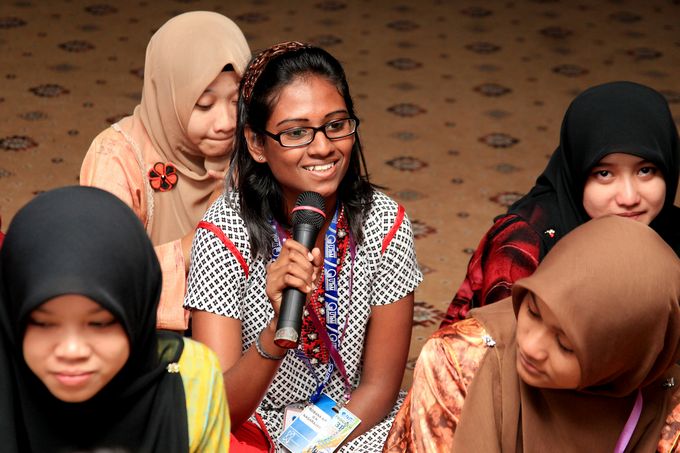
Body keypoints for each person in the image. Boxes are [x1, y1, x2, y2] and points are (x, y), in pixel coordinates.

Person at [184, 42, 423, 451]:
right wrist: (276, 332)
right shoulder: (224, 232)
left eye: (336, 125)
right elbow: (219, 410)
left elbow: (380, 387)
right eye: (296, 132)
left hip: (353, 421)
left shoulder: (384, 222)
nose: (323, 147)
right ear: (256, 143)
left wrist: (316, 448)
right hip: (254, 425)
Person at [385, 215, 680, 452]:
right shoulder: (457, 360)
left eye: (565, 344)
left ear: (626, 360)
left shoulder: (670, 405)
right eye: (533, 311)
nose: (531, 345)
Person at [0, 186, 229, 452]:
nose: (72, 350)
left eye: (99, 323)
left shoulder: (191, 378)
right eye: (43, 323)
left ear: (138, 313)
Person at [441, 81, 680, 326]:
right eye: (604, 174)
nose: (629, 198)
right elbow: (506, 343)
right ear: (576, 173)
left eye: (646, 171)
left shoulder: (673, 231)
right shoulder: (524, 244)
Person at [80, 11, 251, 331]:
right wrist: (203, 238)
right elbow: (104, 279)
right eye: (204, 104)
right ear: (167, 97)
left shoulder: (254, 144)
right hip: (144, 338)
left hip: (240, 332)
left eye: (236, 101)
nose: (226, 123)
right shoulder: (117, 157)